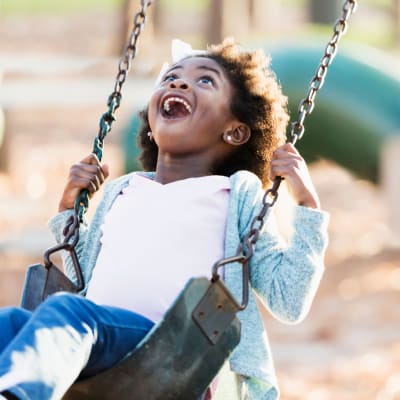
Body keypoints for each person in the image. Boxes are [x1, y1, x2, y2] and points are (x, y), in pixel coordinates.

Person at [0, 38, 329, 400]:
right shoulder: (122, 190)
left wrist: (307, 204)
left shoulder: (236, 195)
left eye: (205, 80)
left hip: (173, 351)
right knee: (11, 323)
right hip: (96, 341)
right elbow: (82, 279)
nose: (178, 83)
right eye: (170, 78)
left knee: (69, 312)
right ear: (151, 125)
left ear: (235, 131)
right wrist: (68, 211)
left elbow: (289, 300)